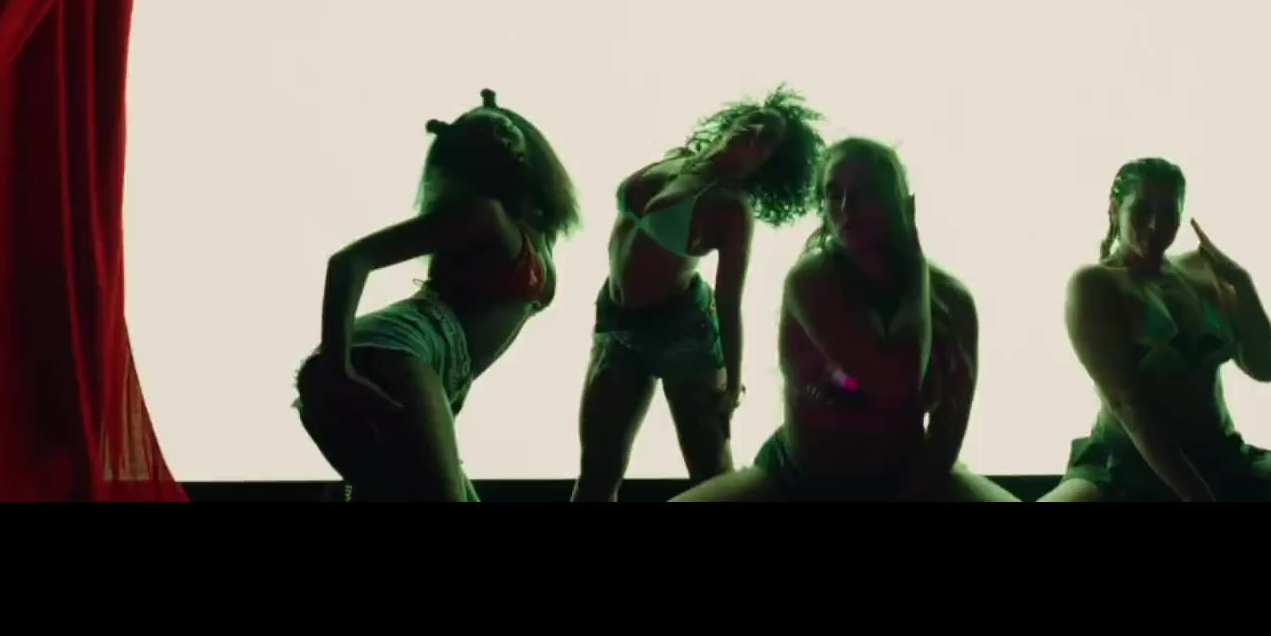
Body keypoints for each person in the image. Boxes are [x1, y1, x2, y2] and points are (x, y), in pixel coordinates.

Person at [1042, 157, 1271, 502]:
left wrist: (1242, 283)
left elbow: (1263, 367)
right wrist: (1200, 498)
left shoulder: (1201, 271)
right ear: (1114, 210)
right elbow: (1130, 408)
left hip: (1223, 457)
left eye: (1168, 212)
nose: (1155, 225)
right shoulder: (1094, 285)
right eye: (1141, 211)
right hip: (1121, 467)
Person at [672, 138, 1018, 502]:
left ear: (900, 201)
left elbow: (949, 429)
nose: (847, 207)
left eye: (866, 191)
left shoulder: (952, 299)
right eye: (834, 194)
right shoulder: (811, 282)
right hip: (795, 482)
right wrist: (916, 265)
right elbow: (897, 380)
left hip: (908, 480)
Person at [293, 89, 579, 501]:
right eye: (484, 134)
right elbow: (350, 261)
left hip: (417, 363)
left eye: (504, 125)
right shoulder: (484, 215)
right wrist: (339, 369)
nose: (499, 134)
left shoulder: (533, 228)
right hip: (402, 347)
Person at [572, 86, 828, 501]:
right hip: (617, 326)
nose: (754, 131)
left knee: (711, 478)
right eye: (755, 121)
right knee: (595, 477)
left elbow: (729, 301)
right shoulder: (676, 157)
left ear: (768, 165)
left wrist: (732, 386)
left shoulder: (730, 208)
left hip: (683, 335)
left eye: (767, 139)